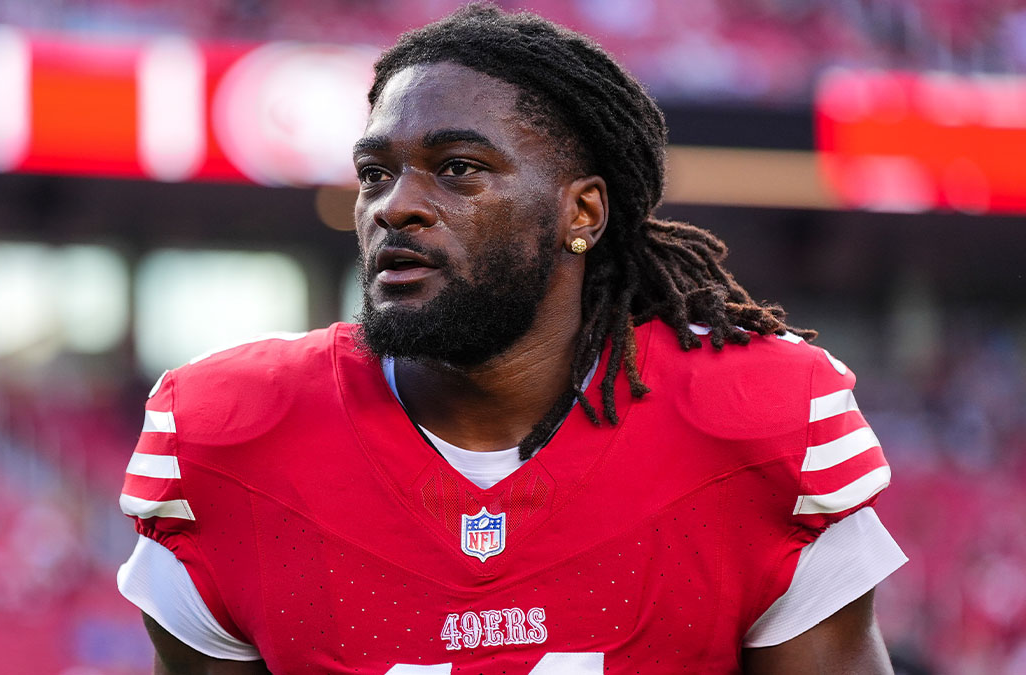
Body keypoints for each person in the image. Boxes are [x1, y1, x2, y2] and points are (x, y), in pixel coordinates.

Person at [117, 4, 906, 673]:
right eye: (374, 173)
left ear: (581, 212)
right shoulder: (230, 435)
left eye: (458, 168)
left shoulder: (757, 421)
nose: (394, 205)